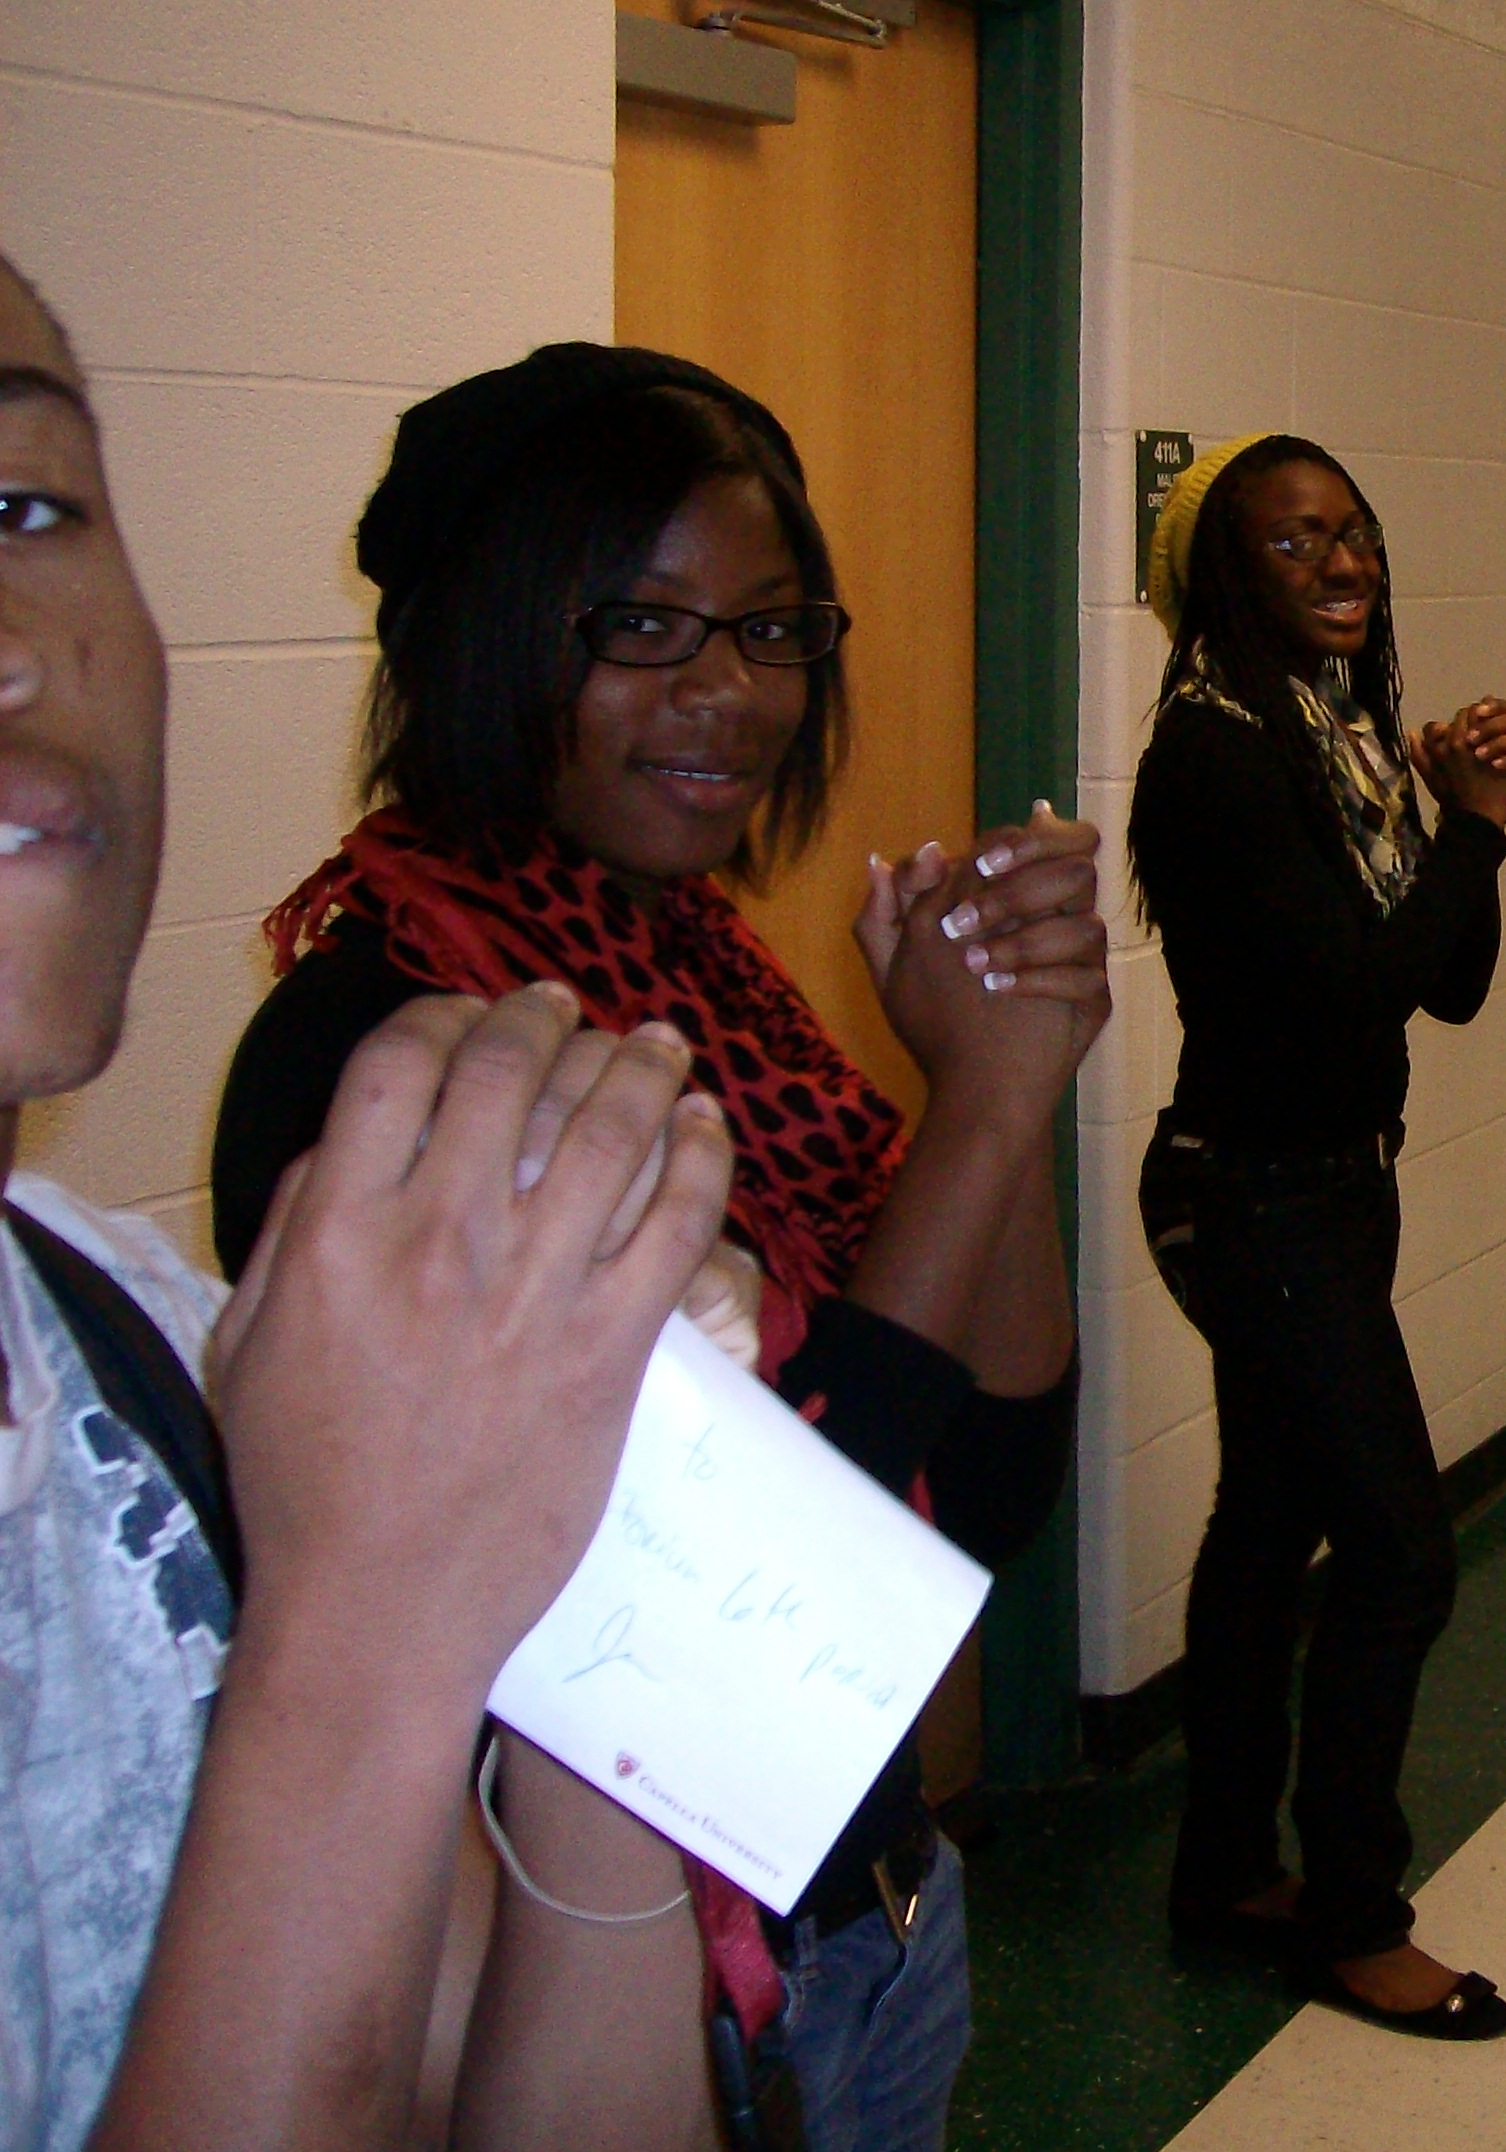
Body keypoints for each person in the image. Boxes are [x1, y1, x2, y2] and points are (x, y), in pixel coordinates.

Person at [208, 345, 1106, 2151]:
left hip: (876, 1918)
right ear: (482, 643)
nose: (730, 692)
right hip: (622, 1997)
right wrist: (986, 1109)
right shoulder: (394, 1044)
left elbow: (991, 1481)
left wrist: (999, 1082)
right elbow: (755, 1609)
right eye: (641, 624)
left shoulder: (709, 983)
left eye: (772, 629)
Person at [0, 248, 737, 2152]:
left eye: (24, 504)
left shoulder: (135, 1344)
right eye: (641, 624)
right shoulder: (371, 1027)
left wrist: (611, 1561)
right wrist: (372, 1619)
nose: (9, 639)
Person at [1126, 433, 1506, 2040]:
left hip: (1328, 1184)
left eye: (1352, 531)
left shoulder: (1334, 732)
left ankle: (1226, 1872)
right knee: (1403, 1554)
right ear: (1223, 576)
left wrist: (1458, 813)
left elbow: (1454, 981)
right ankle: (1354, 1917)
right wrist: (1472, 829)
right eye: (1295, 542)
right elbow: (1366, 988)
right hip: (1253, 1193)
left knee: (1266, 1525)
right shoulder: (1220, 753)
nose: (1342, 563)